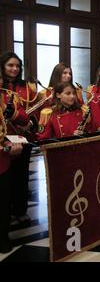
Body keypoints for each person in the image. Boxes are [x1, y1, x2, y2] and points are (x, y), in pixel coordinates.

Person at [0, 52, 36, 224]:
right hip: (2, 138)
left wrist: (28, 124)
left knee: (22, 175)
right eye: (10, 65)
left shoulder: (26, 88)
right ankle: (5, 214)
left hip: (23, 136)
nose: (14, 69)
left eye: (17, 66)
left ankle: (20, 210)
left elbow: (34, 113)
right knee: (6, 177)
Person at [0, 72, 24, 253]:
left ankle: (2, 236)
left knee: (3, 201)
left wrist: (8, 143)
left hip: (2, 161)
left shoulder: (6, 97)